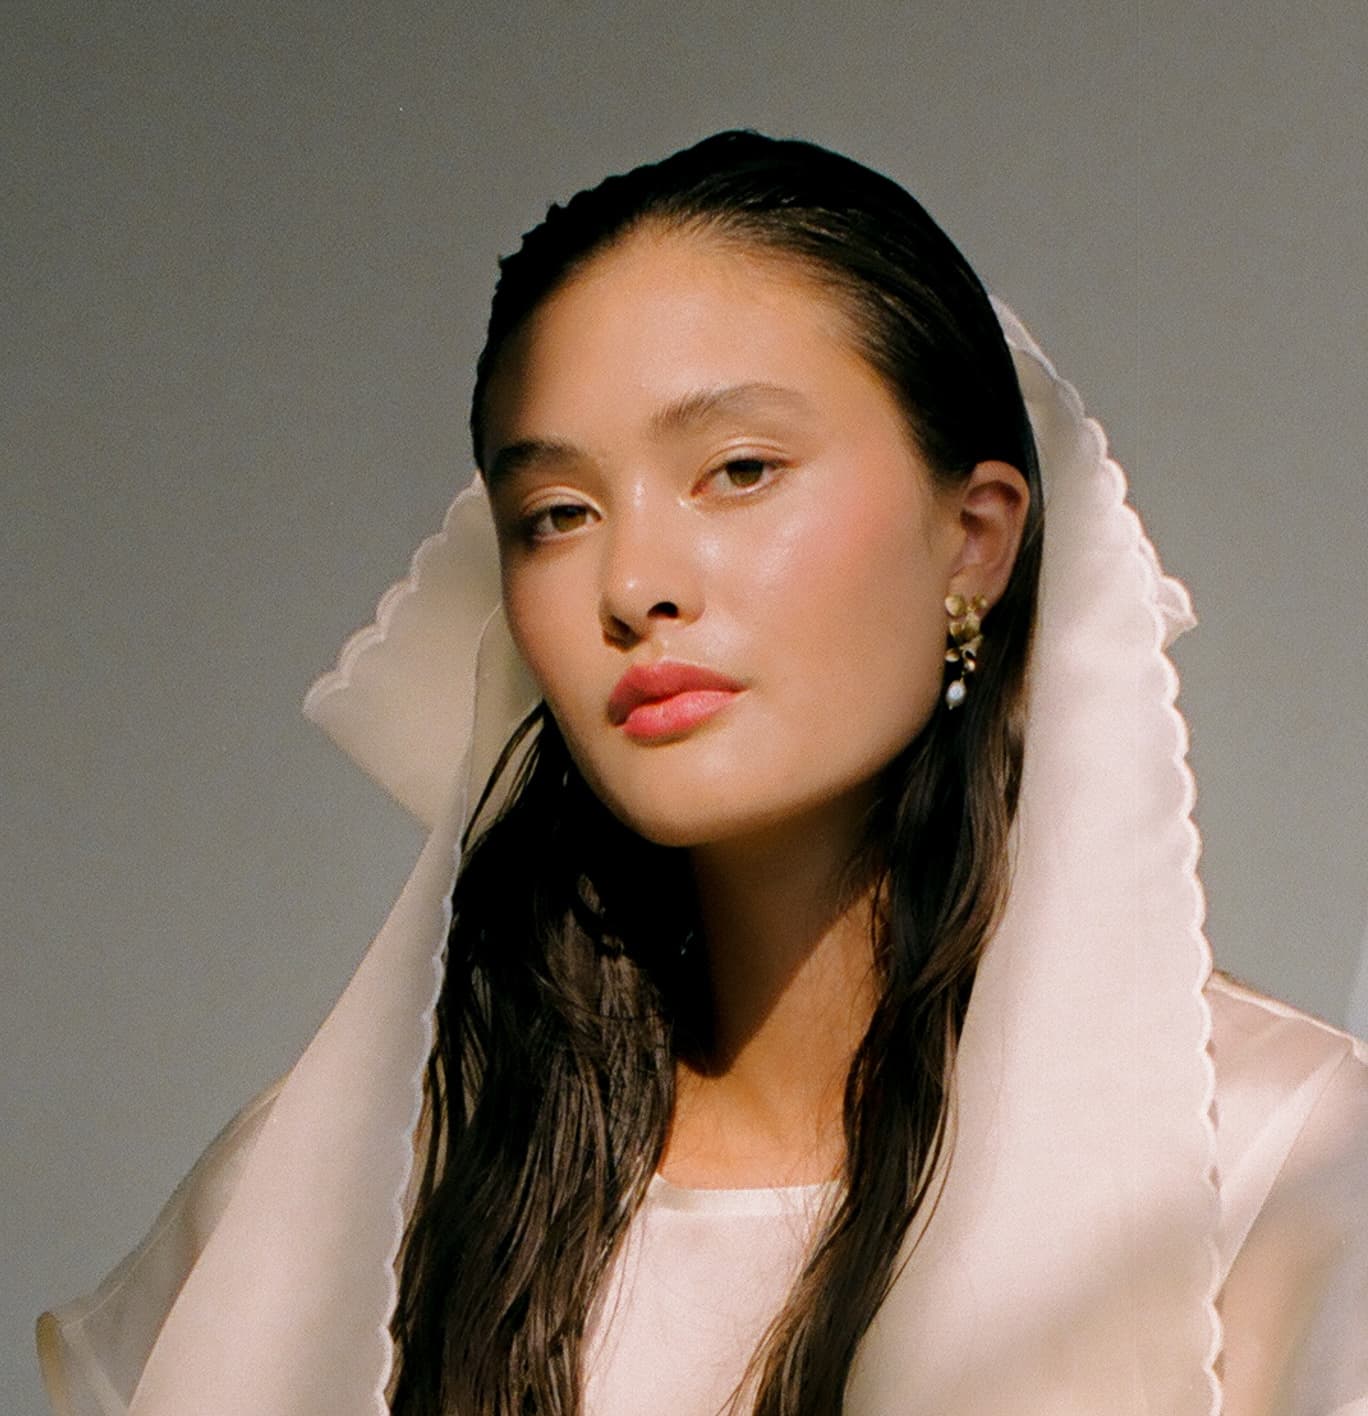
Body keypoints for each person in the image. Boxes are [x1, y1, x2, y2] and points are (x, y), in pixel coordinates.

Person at [37, 132, 1368, 1416]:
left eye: (739, 471)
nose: (632, 585)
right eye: (556, 516)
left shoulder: (1269, 1162)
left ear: (974, 540)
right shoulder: (344, 1189)